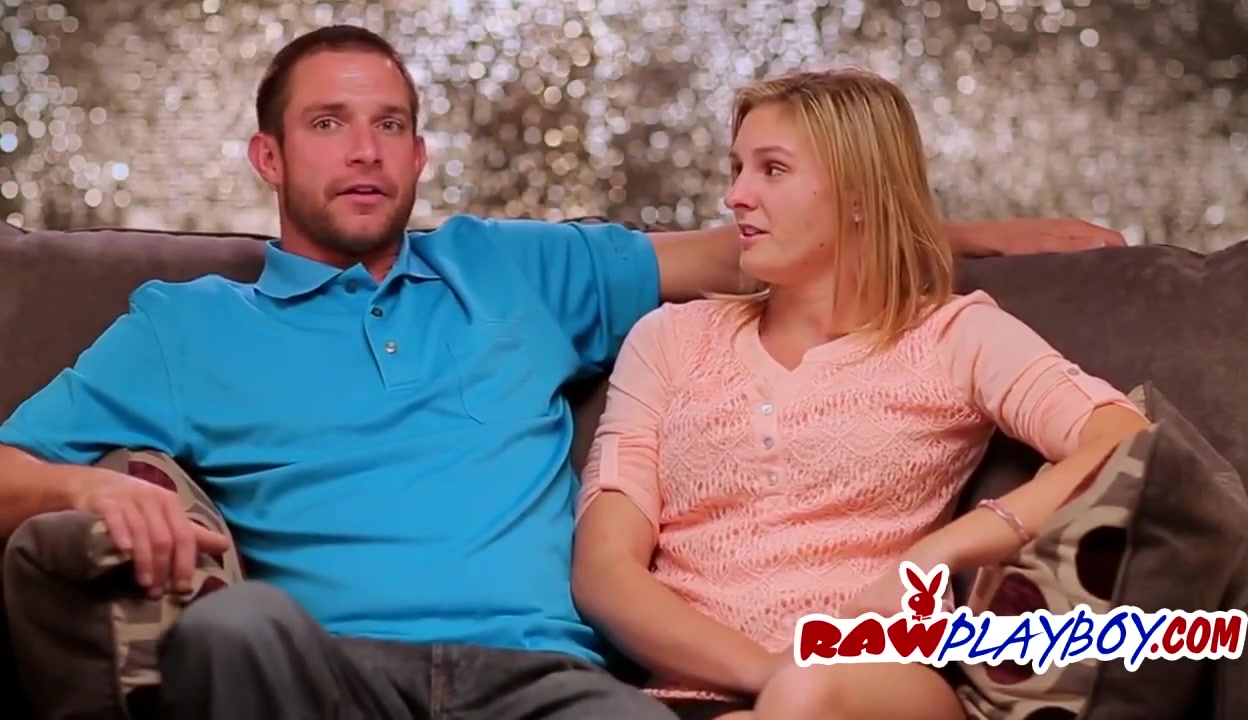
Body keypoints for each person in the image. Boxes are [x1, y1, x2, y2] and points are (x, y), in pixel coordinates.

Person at [0, 26, 1121, 720]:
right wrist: (82, 485)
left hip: (545, 683)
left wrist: (960, 234)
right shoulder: (186, 327)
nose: (365, 150)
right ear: (268, 156)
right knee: (229, 634)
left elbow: (750, 247)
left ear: (420, 155)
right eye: (329, 123)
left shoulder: (511, 268)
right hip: (333, 669)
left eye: (390, 125)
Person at [569, 68, 1150, 720]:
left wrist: (943, 551)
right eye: (737, 168)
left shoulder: (953, 335)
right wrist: (767, 673)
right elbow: (603, 570)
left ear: (858, 195)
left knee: (809, 691)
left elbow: (1125, 441)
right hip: (690, 697)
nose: (735, 196)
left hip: (877, 685)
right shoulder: (669, 339)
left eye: (772, 170)